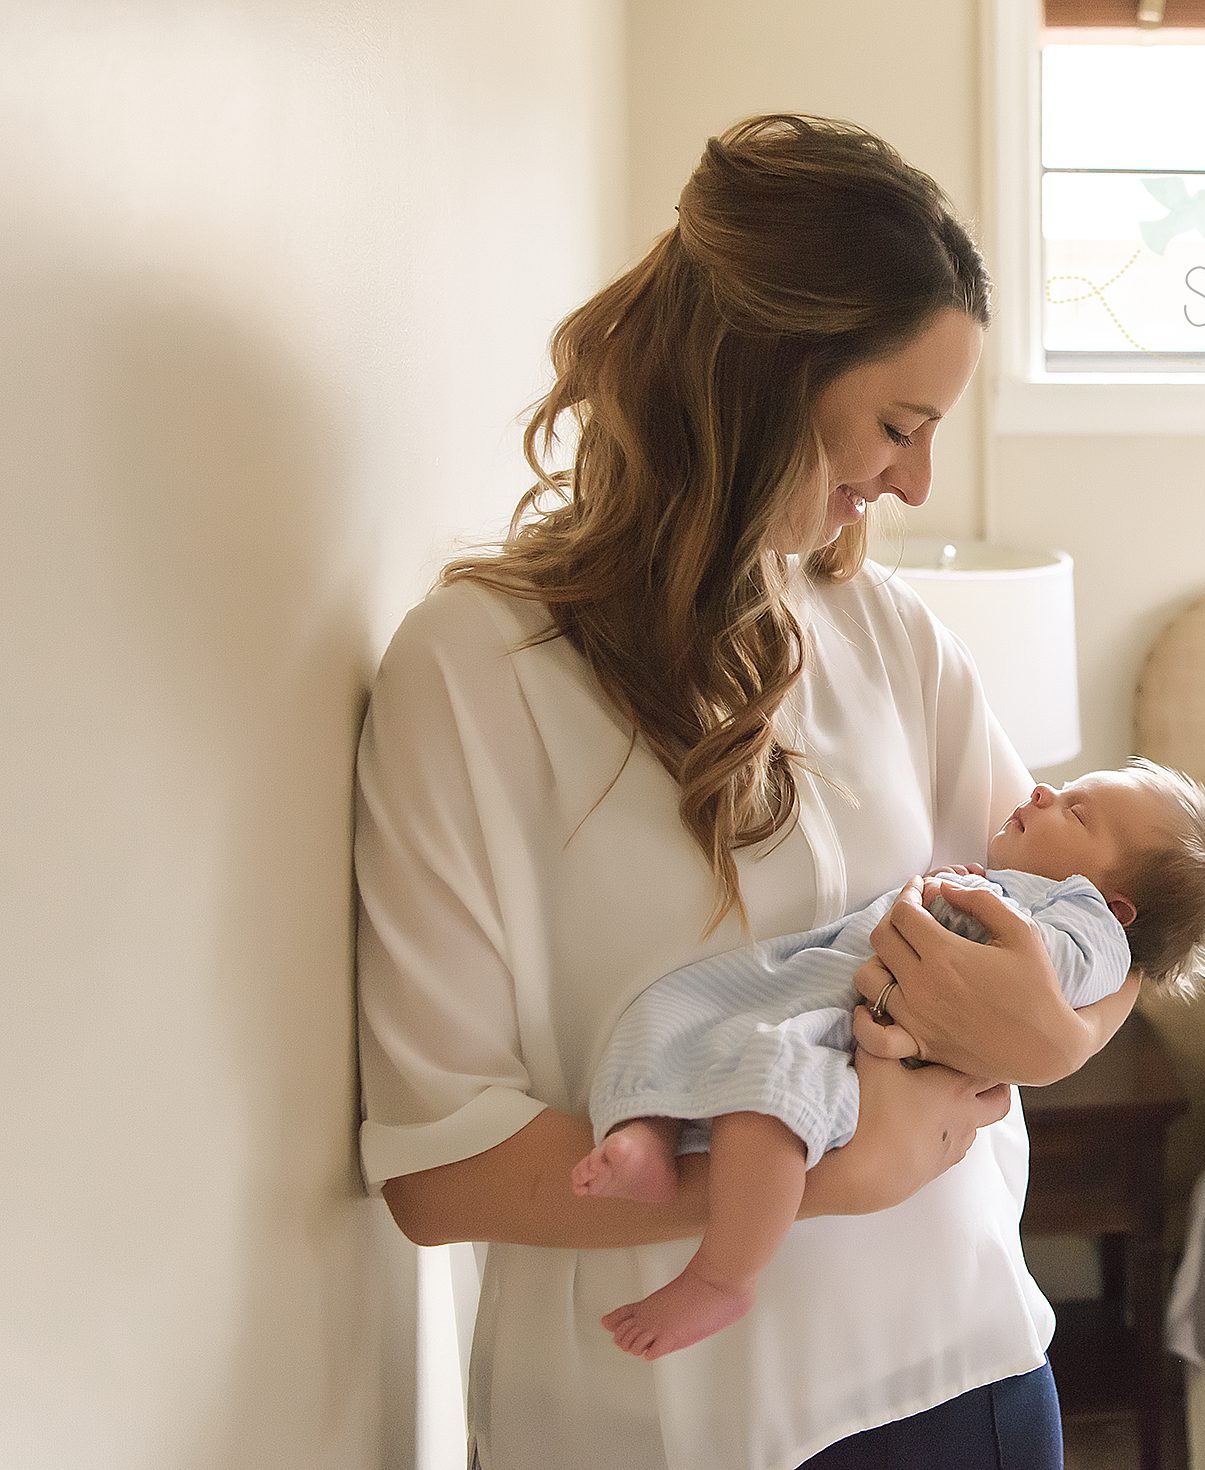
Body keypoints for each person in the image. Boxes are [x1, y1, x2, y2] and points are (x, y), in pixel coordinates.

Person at [354, 113, 1142, 1470]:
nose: (914, 478)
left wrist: (1062, 1039)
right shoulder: (477, 672)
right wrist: (839, 1179)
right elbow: (438, 1169)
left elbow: (1099, 915)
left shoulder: (883, 630)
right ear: (764, 375)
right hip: (660, 1427)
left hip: (974, 1376)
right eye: (900, 423)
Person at [574, 760, 1205, 1361]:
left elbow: (1041, 977)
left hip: (848, 1044)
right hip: (810, 990)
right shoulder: (1030, 888)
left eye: (1077, 811)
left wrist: (972, 908)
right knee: (673, 1011)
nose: (1044, 791)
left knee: (764, 1097)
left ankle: (724, 1275)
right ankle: (649, 1138)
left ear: (1110, 906)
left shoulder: (1086, 932)